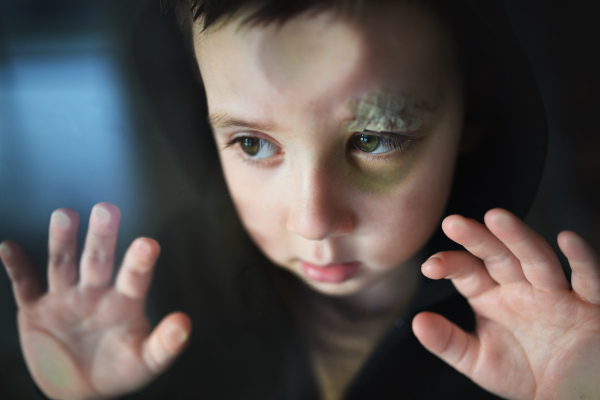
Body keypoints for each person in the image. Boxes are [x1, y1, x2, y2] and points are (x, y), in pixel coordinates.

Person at [1, 0, 599, 399]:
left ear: (473, 114)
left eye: (374, 139)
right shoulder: (168, 292)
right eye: (253, 144)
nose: (312, 221)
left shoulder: (553, 337)